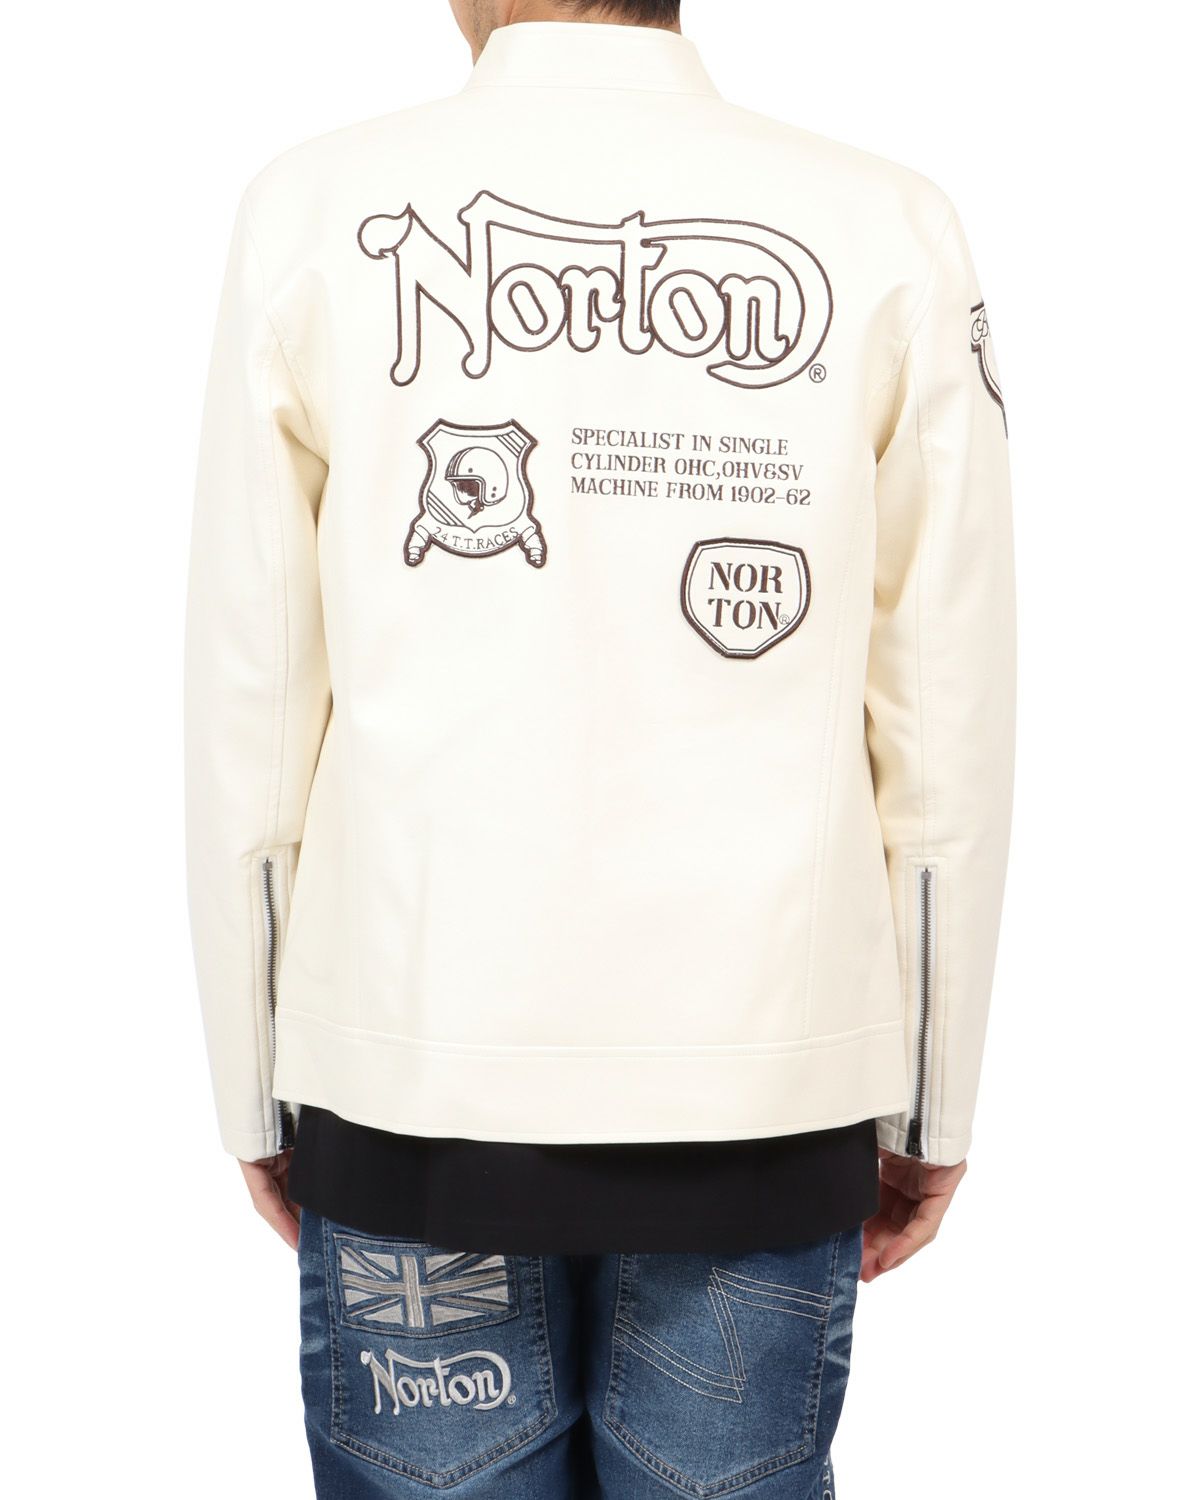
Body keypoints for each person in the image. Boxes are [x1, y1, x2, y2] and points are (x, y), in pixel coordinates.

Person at [182, 1, 1016, 1494]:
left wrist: (259, 1080)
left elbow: (255, 693)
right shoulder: (889, 227)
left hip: (410, 1087)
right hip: (766, 1098)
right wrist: (930, 1096)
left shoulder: (313, 212)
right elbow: (945, 719)